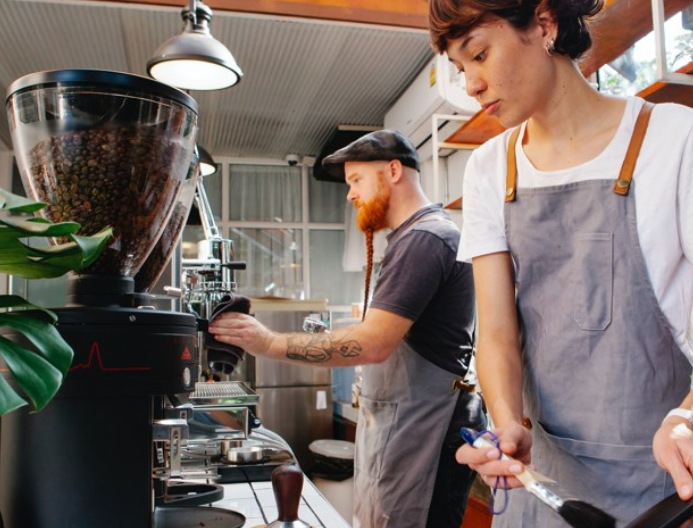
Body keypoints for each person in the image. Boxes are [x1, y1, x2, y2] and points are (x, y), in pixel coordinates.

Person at [427, 1, 693, 527]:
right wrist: (508, 424)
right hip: (540, 487)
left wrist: (687, 421)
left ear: (544, 24)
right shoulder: (489, 168)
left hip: (655, 484)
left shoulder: (674, 138)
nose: (471, 85)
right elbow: (496, 336)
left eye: (480, 55)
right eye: (461, 68)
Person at [208, 129, 486, 528]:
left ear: (393, 171)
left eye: (356, 180)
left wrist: (267, 342)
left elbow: (373, 344)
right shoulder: (409, 239)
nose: (350, 194)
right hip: (405, 432)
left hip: (427, 434)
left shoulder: (427, 239)